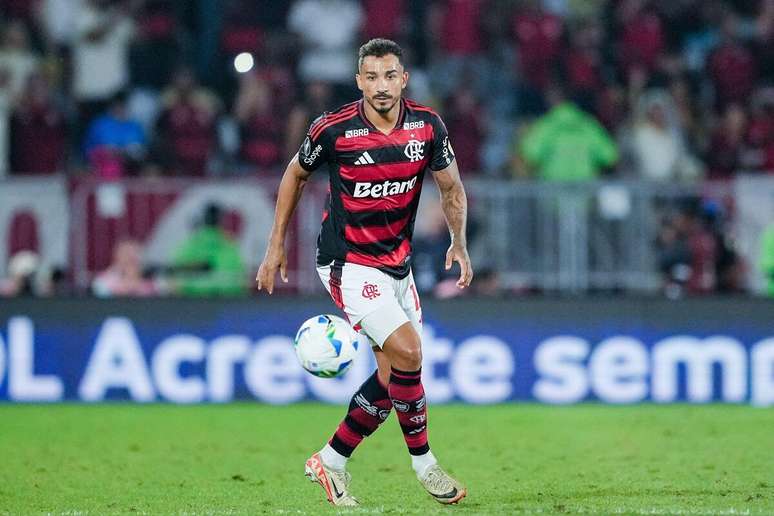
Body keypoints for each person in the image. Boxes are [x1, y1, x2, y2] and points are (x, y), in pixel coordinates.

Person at [256, 39, 472, 507]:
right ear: (359, 81)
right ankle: (425, 464)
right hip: (348, 262)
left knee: (394, 376)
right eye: (371, 77)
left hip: (398, 264)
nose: (381, 86)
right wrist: (275, 245)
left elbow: (452, 187)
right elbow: (295, 174)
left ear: (404, 79)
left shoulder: (427, 126)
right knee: (409, 352)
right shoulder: (333, 129)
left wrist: (459, 241)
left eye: (390, 75)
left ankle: (330, 461)